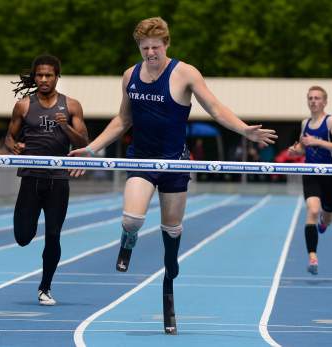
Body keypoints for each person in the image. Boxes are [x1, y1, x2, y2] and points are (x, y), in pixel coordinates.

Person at [69, 17, 277, 334]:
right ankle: (129, 240)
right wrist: (92, 148)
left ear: (166, 44)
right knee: (131, 219)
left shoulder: (185, 73)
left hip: (175, 162)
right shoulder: (130, 76)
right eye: (144, 48)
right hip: (142, 159)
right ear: (138, 47)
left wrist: (244, 130)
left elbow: (216, 108)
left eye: (155, 47)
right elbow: (123, 119)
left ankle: (169, 277)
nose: (150, 53)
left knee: (172, 227)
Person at [5, 54, 89, 306]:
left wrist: (65, 127)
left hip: (58, 180)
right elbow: (9, 137)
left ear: (56, 77)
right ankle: (27, 234)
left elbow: (83, 144)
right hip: (31, 178)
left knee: (53, 234)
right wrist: (13, 147)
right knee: (22, 237)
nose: (43, 79)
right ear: (35, 77)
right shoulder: (23, 106)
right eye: (39, 75)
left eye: (48, 75)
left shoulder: (71, 106)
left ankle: (45, 287)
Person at [288, 86, 332, 275]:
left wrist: (318, 141)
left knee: (328, 215)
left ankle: (325, 220)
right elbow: (303, 146)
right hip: (311, 173)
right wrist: (296, 149)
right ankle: (312, 256)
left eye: (317, 98)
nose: (313, 101)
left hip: (330, 174)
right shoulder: (304, 123)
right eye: (310, 98)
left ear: (324, 102)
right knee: (312, 209)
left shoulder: (331, 121)